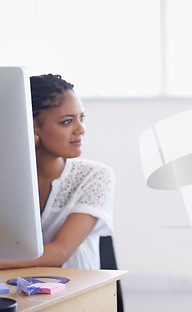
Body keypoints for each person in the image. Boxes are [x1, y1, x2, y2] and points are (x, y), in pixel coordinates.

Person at [0, 74, 115, 271]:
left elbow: (59, 252)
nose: (81, 129)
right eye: (67, 121)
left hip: (77, 293)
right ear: (33, 126)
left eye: (82, 118)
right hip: (17, 291)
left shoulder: (95, 176)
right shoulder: (7, 178)